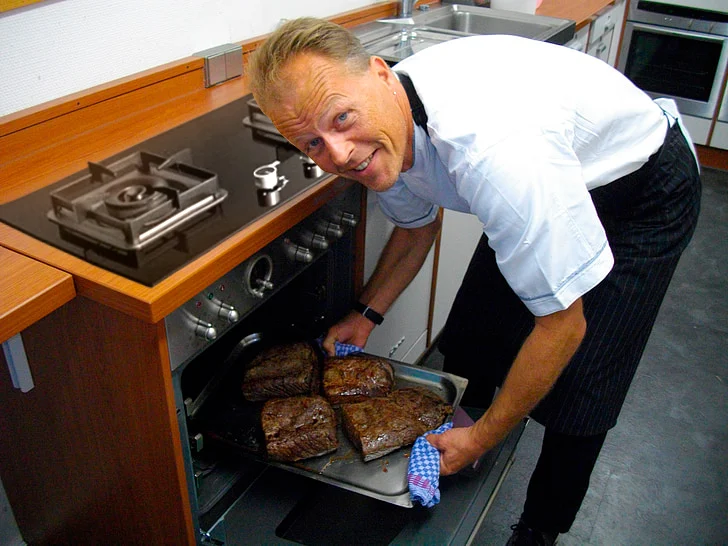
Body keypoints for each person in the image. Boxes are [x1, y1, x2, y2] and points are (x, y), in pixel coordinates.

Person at [248, 17, 701, 545]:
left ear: (380, 73)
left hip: (640, 192)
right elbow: (417, 228)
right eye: (312, 145)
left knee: (583, 384)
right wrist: (366, 313)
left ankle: (537, 530)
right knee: (475, 333)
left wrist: (485, 437)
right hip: (553, 173)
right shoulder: (383, 129)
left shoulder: (494, 154)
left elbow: (563, 327)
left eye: (341, 119)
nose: (339, 154)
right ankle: (452, 443)